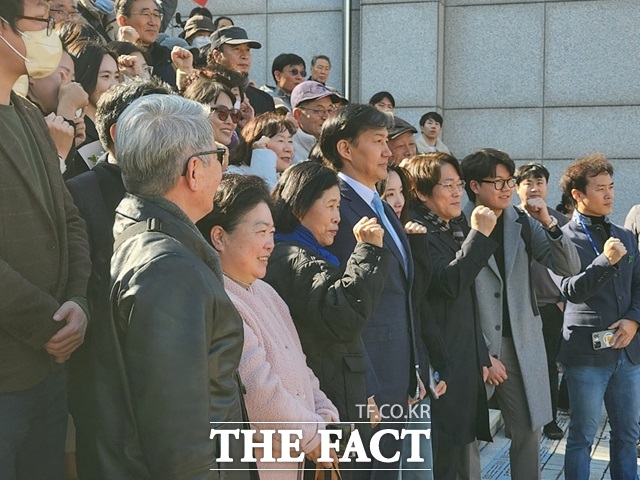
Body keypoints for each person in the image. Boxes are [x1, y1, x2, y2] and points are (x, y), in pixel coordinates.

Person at [93, 94, 250, 478]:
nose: (223, 169)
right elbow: (180, 442)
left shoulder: (154, 241)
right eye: (218, 155)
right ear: (194, 171)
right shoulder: (168, 270)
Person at [197, 174, 340, 479]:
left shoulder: (267, 292)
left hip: (294, 456)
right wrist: (314, 434)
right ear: (219, 237)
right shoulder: (220, 300)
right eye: (260, 232)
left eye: (272, 232)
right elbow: (259, 391)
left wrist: (325, 415)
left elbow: (302, 370)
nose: (270, 244)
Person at [65, 78, 173, 480]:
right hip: (102, 378)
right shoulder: (78, 192)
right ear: (117, 132)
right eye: (155, 122)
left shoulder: (177, 187)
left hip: (168, 370)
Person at [0, 1, 91, 478]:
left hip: (49, 371)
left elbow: (69, 219)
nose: (51, 34)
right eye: (41, 21)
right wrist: (47, 324)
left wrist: (77, 299)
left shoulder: (31, 116)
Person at [321, 104, 427, 478]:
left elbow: (401, 297)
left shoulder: (380, 205)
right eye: (378, 142)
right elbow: (342, 302)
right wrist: (363, 383)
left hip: (396, 373)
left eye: (388, 142)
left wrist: (415, 365)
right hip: (365, 383)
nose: (389, 152)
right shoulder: (333, 206)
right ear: (346, 149)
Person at [460, 148, 580, 479]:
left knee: (528, 430)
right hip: (473, 346)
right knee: (466, 436)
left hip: (520, 343)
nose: (506, 188)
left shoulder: (521, 220)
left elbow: (568, 267)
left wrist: (549, 224)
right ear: (473, 186)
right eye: (496, 182)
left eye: (509, 181)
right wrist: (482, 350)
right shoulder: (457, 221)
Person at [265, 162, 389, 432]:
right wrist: (367, 250)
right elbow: (344, 316)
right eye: (330, 205)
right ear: (301, 205)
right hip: (322, 400)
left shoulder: (305, 254)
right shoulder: (295, 258)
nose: (338, 217)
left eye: (338, 206)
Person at [405, 153, 495, 480]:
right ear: (421, 191)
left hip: (462, 360)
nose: (458, 192)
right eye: (448, 185)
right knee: (444, 460)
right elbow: (448, 284)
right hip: (440, 364)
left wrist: (481, 354)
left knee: (458, 457)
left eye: (459, 185)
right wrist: (479, 236)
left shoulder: (451, 225)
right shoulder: (416, 229)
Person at [557, 154, 640, 480]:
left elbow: (639, 285)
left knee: (627, 435)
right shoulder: (562, 238)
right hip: (587, 356)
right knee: (581, 437)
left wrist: (634, 320)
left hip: (628, 351)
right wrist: (605, 262)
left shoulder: (626, 235)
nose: (609, 195)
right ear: (578, 194)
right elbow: (569, 290)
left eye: (611, 187)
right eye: (600, 188)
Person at [515, 163, 570, 441]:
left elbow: (573, 265)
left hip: (550, 306)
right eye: (527, 183)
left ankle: (548, 420)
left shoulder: (559, 221)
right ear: (516, 188)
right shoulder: (508, 218)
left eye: (539, 182)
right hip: (516, 306)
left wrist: (562, 301)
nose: (534, 188)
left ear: (547, 187)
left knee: (548, 363)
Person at [66, 40, 120, 170]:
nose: (114, 85)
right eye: (106, 76)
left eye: (116, 76)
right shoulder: (73, 128)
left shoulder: (118, 124)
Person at [209, 26, 275, 115]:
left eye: (247, 50)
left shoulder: (263, 100)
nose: (245, 56)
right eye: (237, 49)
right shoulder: (204, 93)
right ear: (217, 56)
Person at [115, 0, 176, 88]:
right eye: (146, 14)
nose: (153, 22)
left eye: (156, 15)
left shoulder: (168, 57)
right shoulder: (108, 58)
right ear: (123, 21)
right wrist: (126, 47)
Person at [228, 112, 295, 190]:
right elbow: (264, 194)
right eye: (280, 140)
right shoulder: (235, 178)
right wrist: (261, 153)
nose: (288, 149)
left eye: (290, 141)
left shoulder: (284, 180)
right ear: (256, 142)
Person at [291, 80, 342, 164]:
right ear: (298, 114)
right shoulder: (287, 147)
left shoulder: (338, 143)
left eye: (330, 110)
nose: (326, 117)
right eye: (319, 110)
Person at [183, 78, 238, 148]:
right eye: (222, 112)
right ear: (198, 113)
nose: (230, 121)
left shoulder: (230, 154)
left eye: (233, 114)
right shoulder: (178, 155)